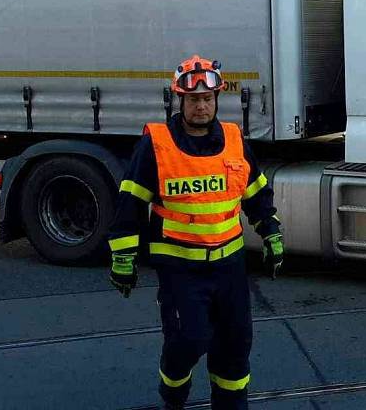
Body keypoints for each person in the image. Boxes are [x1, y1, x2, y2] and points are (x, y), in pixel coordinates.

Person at [107, 55, 283, 410]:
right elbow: (130, 204)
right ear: (180, 101)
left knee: (235, 345)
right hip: (180, 270)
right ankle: (173, 395)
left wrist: (271, 233)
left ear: (216, 99)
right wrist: (123, 258)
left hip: (229, 268)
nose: (201, 106)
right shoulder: (156, 145)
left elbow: (255, 193)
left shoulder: (234, 139)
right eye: (193, 100)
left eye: (207, 99)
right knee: (189, 340)